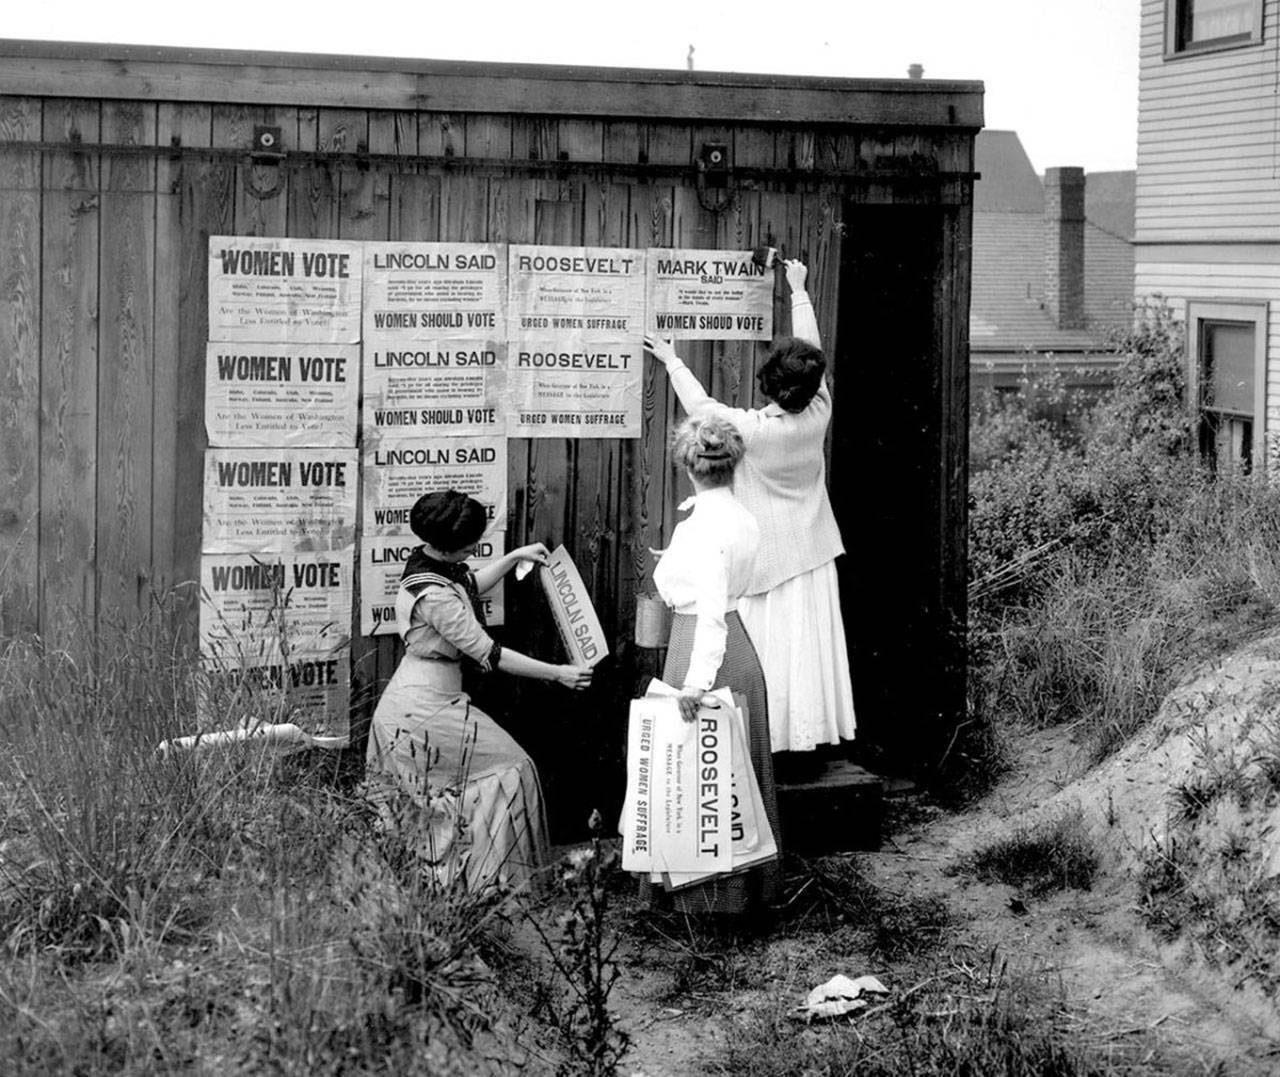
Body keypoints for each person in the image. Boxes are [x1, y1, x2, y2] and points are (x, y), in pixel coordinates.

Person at [644, 259, 855, 763]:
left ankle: (770, 744)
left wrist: (672, 360)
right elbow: (815, 354)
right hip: (812, 552)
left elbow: (702, 409)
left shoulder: (755, 430)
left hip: (768, 562)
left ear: (768, 385)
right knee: (807, 657)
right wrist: (798, 290)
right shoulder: (819, 407)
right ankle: (807, 743)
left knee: (772, 655)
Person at [365, 489, 592, 893]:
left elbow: (468, 584)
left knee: (488, 776)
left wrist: (512, 557)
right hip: (422, 708)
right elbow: (490, 653)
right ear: (451, 548)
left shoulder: (429, 565)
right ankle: (496, 884)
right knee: (511, 769)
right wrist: (559, 673)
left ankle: (479, 881)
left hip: (428, 696)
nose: (476, 546)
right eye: (471, 542)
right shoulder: (434, 597)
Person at [647, 414, 781, 914]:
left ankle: (708, 904)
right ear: (733, 465)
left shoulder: (701, 527)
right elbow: (728, 582)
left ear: (688, 467)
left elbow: (708, 612)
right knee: (729, 772)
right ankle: (741, 892)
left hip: (705, 649)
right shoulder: (741, 518)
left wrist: (695, 684)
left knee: (702, 774)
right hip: (738, 647)